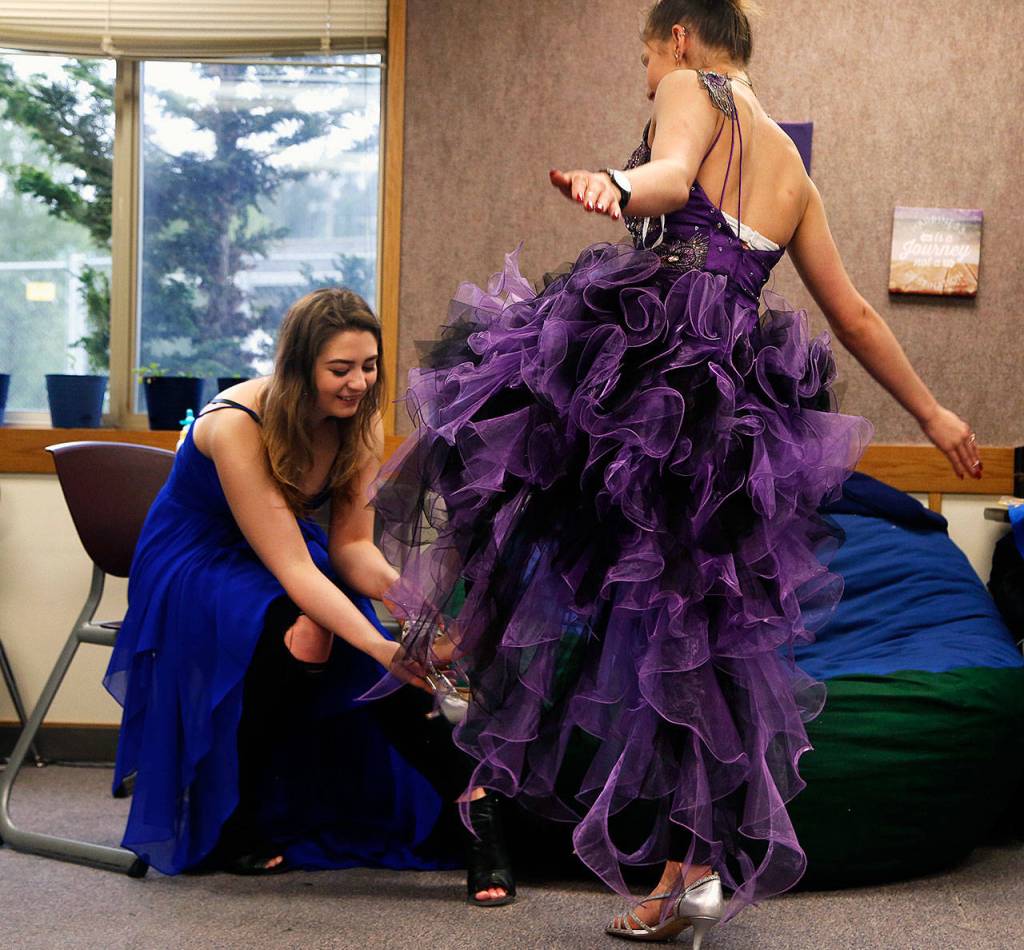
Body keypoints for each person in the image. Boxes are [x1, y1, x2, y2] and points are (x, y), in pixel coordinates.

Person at [370, 0, 982, 943]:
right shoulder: (797, 171)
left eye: (646, 56)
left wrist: (617, 181)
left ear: (681, 40)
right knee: (687, 631)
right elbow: (854, 314)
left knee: (483, 417)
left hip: (655, 364)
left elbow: (665, 178)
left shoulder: (693, 90)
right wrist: (937, 414)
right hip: (726, 404)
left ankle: (457, 639)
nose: (647, 75)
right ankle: (690, 868)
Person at [104, 288, 514, 906]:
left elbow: (350, 548)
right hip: (197, 560)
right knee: (317, 633)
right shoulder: (234, 425)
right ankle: (242, 813)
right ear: (298, 367)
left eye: (369, 365)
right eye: (340, 369)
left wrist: (416, 611)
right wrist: (379, 646)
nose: (358, 383)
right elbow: (296, 570)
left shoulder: (359, 421)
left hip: (281, 551)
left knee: (381, 650)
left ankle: (478, 816)